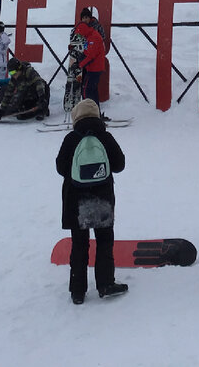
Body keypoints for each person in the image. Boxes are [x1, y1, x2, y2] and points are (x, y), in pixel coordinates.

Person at [55, 98, 127, 304]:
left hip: (76, 200)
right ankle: (105, 284)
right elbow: (120, 164)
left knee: (80, 244)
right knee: (104, 241)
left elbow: (61, 168)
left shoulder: (71, 139)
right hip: (102, 198)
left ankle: (77, 291)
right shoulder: (105, 137)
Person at [0, 57, 50, 121]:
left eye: (13, 72)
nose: (13, 75)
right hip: (29, 97)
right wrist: (2, 110)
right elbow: (8, 93)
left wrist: (42, 98)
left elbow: (39, 84)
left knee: (23, 93)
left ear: (19, 69)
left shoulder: (29, 72)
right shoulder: (15, 78)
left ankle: (42, 110)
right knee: (21, 116)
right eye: (10, 73)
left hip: (41, 93)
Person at [73, 18, 107, 104]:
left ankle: (89, 110)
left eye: (80, 34)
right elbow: (86, 51)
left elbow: (91, 56)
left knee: (86, 90)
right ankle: (95, 112)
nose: (80, 36)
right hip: (92, 68)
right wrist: (79, 58)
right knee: (92, 90)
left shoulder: (94, 37)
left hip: (95, 69)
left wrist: (80, 65)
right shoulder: (88, 37)